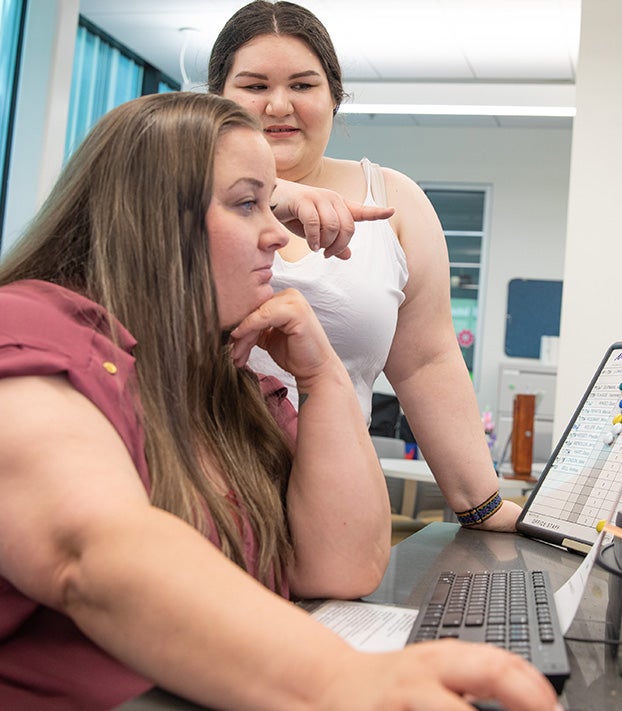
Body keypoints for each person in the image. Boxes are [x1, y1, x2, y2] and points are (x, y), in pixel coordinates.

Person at [0, 93, 559, 710]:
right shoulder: (13, 335)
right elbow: (94, 551)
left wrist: (320, 382)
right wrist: (340, 685)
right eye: (249, 203)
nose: (278, 237)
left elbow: (341, 564)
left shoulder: (220, 377)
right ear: (156, 221)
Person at [209, 0, 523, 532]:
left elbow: (427, 363)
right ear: (217, 99)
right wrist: (269, 191)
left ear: (335, 98)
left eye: (304, 86)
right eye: (255, 86)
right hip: (201, 497)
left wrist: (484, 505)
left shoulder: (393, 199)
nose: (279, 105)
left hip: (333, 510)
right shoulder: (172, 190)